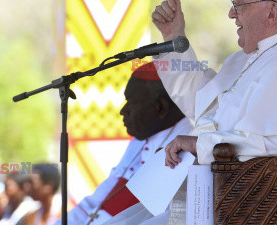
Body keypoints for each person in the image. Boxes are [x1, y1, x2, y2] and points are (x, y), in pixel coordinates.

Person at [105, 0, 277, 224]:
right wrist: (173, 36)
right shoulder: (249, 57)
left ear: (272, 12)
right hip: (217, 194)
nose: (231, 14)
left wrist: (199, 145)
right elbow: (201, 104)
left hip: (254, 206)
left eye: (239, 5)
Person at [53, 62, 193, 225]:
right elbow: (100, 197)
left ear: (160, 107)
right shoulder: (140, 141)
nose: (123, 111)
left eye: (131, 102)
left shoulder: (185, 148)